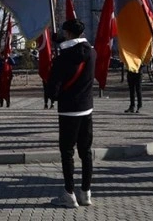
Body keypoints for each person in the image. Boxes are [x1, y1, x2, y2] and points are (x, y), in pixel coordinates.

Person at [46, 19, 96, 208]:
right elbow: (76, 53)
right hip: (87, 108)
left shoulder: (62, 58)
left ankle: (69, 193)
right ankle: (86, 192)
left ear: (67, 33)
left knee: (67, 153)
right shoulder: (91, 52)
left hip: (68, 111)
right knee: (86, 152)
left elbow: (53, 90)